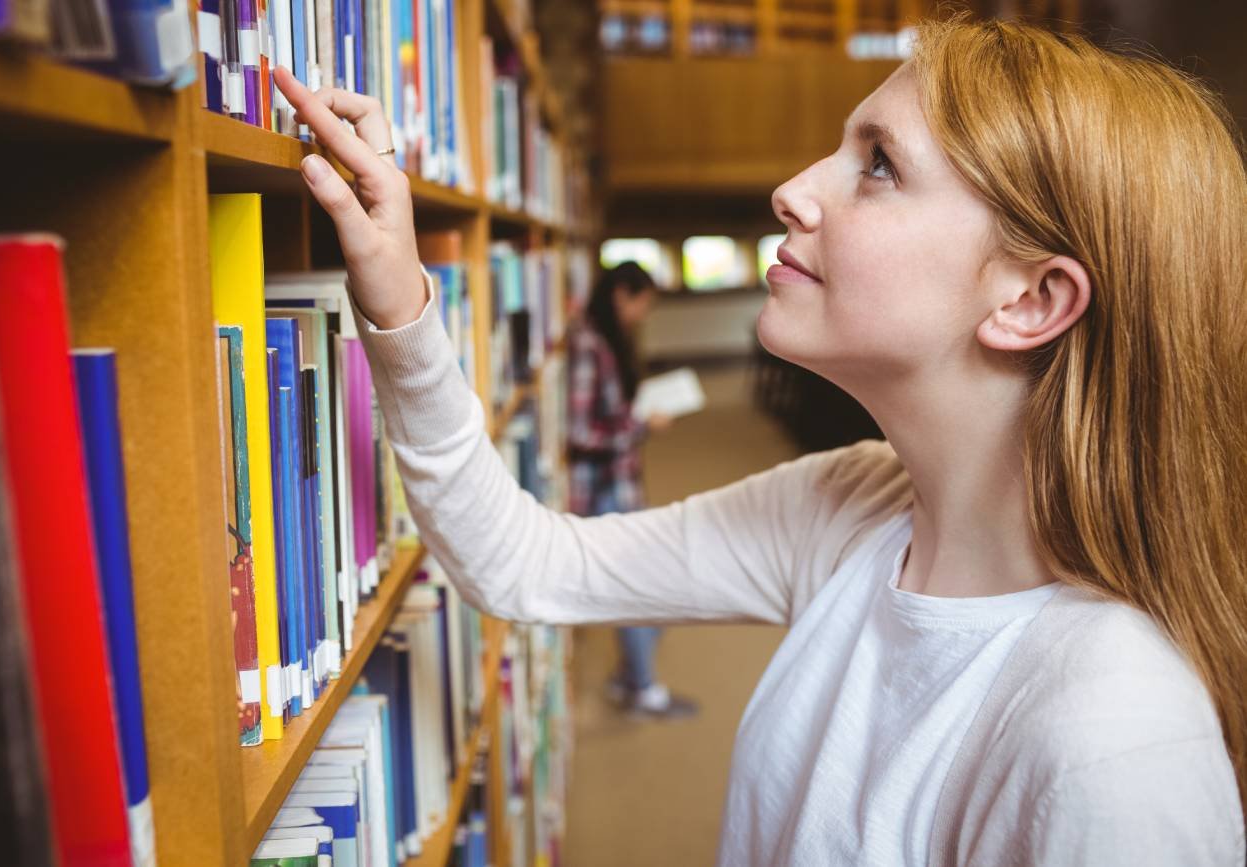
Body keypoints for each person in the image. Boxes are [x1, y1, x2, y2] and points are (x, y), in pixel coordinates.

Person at [272, 13, 1247, 864]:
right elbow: (526, 564)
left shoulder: (1118, 740)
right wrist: (397, 303)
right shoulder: (845, 508)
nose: (792, 189)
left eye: (877, 164)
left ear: (1028, 300)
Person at [566, 261, 696, 718]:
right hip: (601, 487)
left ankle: (631, 678)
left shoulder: (606, 339)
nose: (643, 315)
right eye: (643, 303)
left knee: (650, 580)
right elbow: (579, 431)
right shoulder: (588, 343)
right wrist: (640, 425)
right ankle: (643, 688)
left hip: (619, 480)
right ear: (622, 293)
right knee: (636, 586)